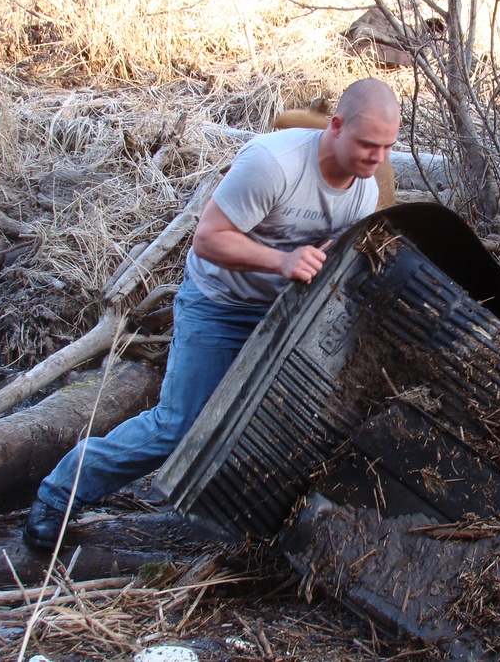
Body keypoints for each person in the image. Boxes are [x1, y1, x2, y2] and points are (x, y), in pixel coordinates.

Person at [24, 78, 401, 549]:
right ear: (337, 125)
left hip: (284, 312)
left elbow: (332, 260)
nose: (378, 159)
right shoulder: (273, 163)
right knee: (179, 424)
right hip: (219, 303)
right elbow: (208, 238)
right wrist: (283, 261)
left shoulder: (364, 189)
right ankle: (61, 494)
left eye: (388, 147)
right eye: (368, 145)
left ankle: (242, 523)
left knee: (289, 420)